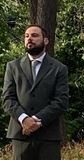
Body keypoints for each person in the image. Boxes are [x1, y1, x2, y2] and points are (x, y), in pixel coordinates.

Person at [2, 24, 69, 160]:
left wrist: (36, 120)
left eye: (34, 35)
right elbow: (7, 98)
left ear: (46, 40)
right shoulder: (12, 66)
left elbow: (61, 101)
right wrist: (24, 119)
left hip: (48, 136)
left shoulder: (59, 68)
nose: (29, 39)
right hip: (21, 135)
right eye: (26, 36)